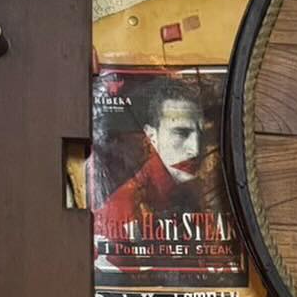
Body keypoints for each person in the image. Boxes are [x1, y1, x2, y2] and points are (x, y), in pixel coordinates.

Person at [93, 77, 217, 273]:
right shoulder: (123, 208)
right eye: (181, 133)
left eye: (202, 135)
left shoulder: (198, 190)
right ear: (152, 136)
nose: (194, 149)